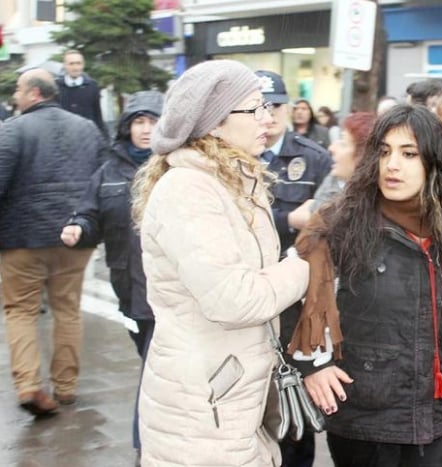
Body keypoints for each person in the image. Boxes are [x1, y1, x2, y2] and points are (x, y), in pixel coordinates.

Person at [131, 60, 309, 467]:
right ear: (212, 124)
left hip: (228, 396)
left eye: (267, 106)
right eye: (254, 108)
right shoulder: (189, 190)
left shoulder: (230, 178)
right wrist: (305, 264)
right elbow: (234, 299)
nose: (268, 117)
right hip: (204, 406)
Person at [288, 104, 442, 466]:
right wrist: (312, 366)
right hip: (366, 422)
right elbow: (291, 297)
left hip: (439, 417)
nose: (392, 165)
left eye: (408, 153)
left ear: (433, 162)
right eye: (384, 152)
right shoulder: (337, 223)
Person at [59, 90, 163, 462]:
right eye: (138, 121)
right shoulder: (109, 170)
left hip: (169, 292)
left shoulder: (175, 165)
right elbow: (90, 213)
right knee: (150, 364)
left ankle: (145, 446)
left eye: (153, 121)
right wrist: (79, 228)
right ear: (126, 127)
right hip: (129, 291)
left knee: (154, 372)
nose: (146, 129)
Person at [0, 68, 107, 416]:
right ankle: (65, 388)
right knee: (67, 310)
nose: (15, 95)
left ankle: (30, 385)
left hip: (21, 240)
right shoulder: (87, 129)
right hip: (73, 237)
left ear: (33, 93)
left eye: (18, 89)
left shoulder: (12, 130)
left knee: (21, 311)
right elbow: (100, 179)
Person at [255, 69, 331, 467]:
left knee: (293, 411)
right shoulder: (234, 154)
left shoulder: (313, 158)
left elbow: (325, 222)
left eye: (276, 106)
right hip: (248, 297)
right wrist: (287, 220)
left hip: (296, 303)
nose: (268, 116)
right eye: (260, 106)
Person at [289, 112, 376, 225]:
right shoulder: (334, 179)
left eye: (343, 143)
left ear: (365, 156)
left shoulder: (374, 207)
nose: (331, 148)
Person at [56, 49, 108, 138]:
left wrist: (103, 137)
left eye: (78, 63)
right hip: (64, 137)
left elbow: (97, 114)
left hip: (87, 136)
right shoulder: (56, 87)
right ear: (65, 65)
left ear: (83, 65)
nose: (75, 67)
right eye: (71, 64)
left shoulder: (92, 86)